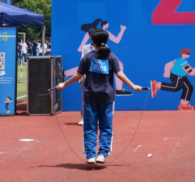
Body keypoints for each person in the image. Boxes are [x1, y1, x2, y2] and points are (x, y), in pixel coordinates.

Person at [55, 29, 142, 165]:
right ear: (106, 41)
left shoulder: (88, 57)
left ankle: (90, 155)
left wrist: (64, 84)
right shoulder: (112, 57)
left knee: (90, 127)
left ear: (92, 41)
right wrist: (133, 86)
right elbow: (119, 74)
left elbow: (78, 75)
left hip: (90, 97)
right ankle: (102, 154)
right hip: (107, 98)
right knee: (106, 127)